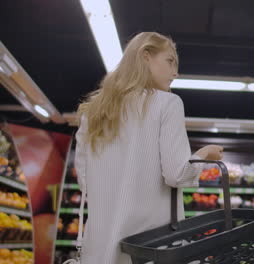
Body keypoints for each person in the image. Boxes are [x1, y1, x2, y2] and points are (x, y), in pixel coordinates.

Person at [74, 32, 223, 264]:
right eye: (170, 61)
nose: (176, 72)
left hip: (100, 248)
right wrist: (205, 154)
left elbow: (85, 180)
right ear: (146, 57)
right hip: (148, 248)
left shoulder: (93, 112)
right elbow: (177, 174)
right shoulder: (168, 103)